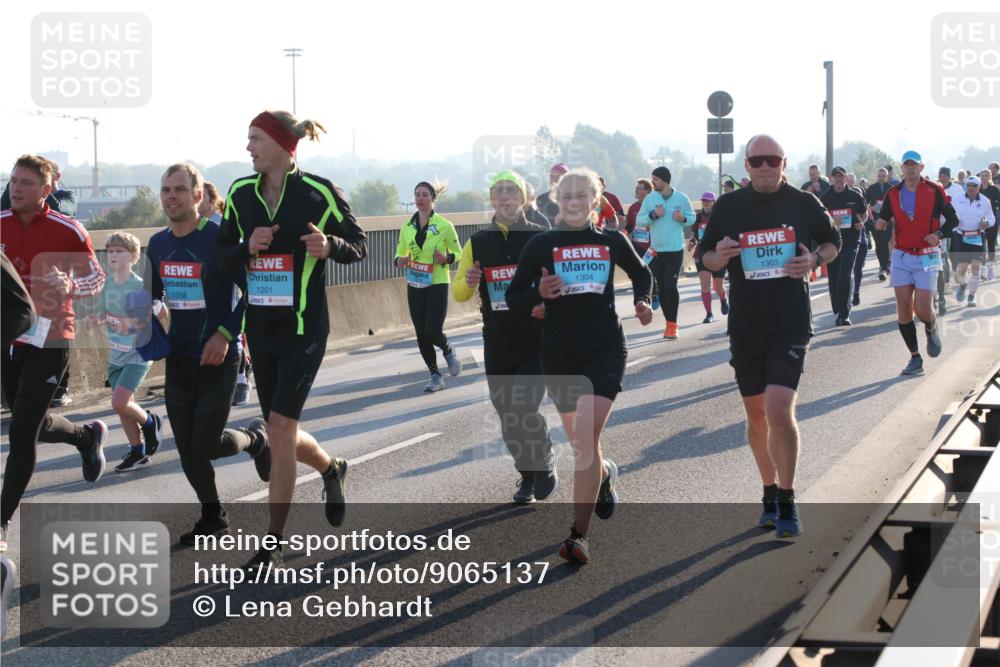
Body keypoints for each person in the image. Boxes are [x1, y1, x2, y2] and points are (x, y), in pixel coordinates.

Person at [217, 110, 368, 567]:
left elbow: (359, 245)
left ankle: (274, 539)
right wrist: (246, 247)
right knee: (282, 431)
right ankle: (331, 467)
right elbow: (219, 259)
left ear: (283, 145)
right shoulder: (239, 194)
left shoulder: (318, 192)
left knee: (280, 429)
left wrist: (331, 246)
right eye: (248, 139)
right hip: (260, 331)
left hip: (304, 331)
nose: (248, 147)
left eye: (256, 139)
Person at [506, 167, 653, 563]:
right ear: (558, 200)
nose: (573, 202)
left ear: (595, 200)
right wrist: (538, 291)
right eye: (567, 196)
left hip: (605, 348)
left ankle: (578, 536)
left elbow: (642, 274)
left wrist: (642, 302)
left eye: (581, 196)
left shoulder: (611, 241)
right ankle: (603, 474)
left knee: (585, 441)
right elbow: (514, 296)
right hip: (560, 353)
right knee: (583, 445)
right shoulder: (541, 244)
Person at [699, 135, 841, 539]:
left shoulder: (804, 202)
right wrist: (719, 255)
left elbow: (833, 242)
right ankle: (768, 491)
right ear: (746, 165)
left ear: (784, 163)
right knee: (757, 417)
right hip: (746, 324)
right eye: (757, 160)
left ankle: (788, 497)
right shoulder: (728, 206)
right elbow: (705, 258)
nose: (765, 167)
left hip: (790, 321)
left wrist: (814, 258)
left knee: (779, 410)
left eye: (772, 160)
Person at [149, 163, 272, 544]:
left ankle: (256, 439)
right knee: (187, 448)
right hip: (179, 358)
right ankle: (213, 516)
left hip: (219, 356)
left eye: (180, 190)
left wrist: (225, 334)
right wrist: (138, 320)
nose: (171, 197)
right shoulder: (157, 244)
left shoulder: (220, 238)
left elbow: (256, 291)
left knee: (205, 444)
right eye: (166, 190)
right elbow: (152, 295)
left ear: (198, 196)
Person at [1, 155, 110, 550]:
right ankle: (86, 436)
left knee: (21, 433)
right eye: (14, 181)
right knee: (30, 420)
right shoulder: (0, 224)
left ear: (46, 190)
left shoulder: (68, 229)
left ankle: (2, 520)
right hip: (9, 340)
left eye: (26, 183)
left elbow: (96, 278)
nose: (16, 188)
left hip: (51, 338)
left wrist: (70, 286)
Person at [453, 170, 557, 503]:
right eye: (498, 191)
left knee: (524, 406)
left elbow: (560, 286)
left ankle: (544, 459)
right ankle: (527, 475)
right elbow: (458, 293)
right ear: (491, 199)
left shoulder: (541, 238)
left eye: (511, 191)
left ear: (523, 198)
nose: (504, 197)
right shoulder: (477, 242)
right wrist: (469, 281)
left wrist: (547, 306)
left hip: (536, 340)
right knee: (508, 416)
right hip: (498, 342)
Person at [876, 150, 958, 376]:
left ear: (921, 167)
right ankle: (915, 357)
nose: (910, 168)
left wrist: (938, 234)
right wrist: (881, 222)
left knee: (922, 308)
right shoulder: (893, 193)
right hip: (902, 255)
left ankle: (931, 327)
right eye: (906, 165)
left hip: (927, 253)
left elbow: (953, 220)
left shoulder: (934, 190)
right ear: (902, 168)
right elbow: (883, 217)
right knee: (903, 308)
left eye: (914, 165)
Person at [97, 232, 162, 471]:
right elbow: (104, 311)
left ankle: (150, 422)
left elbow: (155, 315)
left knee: (119, 402)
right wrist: (95, 318)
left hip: (137, 354)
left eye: (119, 251)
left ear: (133, 257)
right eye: (110, 251)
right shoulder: (108, 283)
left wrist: (133, 323)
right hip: (117, 354)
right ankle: (138, 452)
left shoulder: (139, 285)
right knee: (123, 407)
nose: (113, 255)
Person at [394, 181, 463, 392]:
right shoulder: (407, 227)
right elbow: (399, 253)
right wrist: (400, 260)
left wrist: (446, 258)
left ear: (433, 198)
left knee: (432, 331)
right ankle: (435, 376)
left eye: (424, 194)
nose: (420, 198)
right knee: (421, 333)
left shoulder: (444, 225)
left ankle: (447, 349)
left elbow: (458, 253)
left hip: (437, 282)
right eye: (417, 194)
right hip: (415, 282)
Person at [201, 180, 254, 405]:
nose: (197, 200)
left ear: (212, 200)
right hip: (206, 287)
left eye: (202, 195)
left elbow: (237, 250)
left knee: (233, 329)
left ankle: (241, 379)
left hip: (229, 281)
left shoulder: (222, 225)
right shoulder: (192, 227)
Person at [637, 166, 695, 339]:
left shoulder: (681, 198)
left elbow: (692, 217)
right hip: (657, 250)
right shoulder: (650, 199)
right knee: (662, 288)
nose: (653, 182)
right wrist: (654, 214)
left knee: (670, 286)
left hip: (675, 250)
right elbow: (640, 219)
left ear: (664, 180)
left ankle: (673, 324)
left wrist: (682, 218)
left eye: (655, 179)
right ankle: (668, 323)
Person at [820, 167, 868, 325]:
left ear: (846, 178)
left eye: (841, 177)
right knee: (834, 277)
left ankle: (845, 313)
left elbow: (864, 212)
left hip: (851, 242)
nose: (839, 180)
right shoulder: (825, 198)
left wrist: (862, 222)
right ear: (831, 179)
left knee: (845, 274)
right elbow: (819, 219)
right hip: (832, 244)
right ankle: (838, 310)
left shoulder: (855, 196)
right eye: (836, 177)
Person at [951, 176, 996, 306]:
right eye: (969, 185)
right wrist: (954, 226)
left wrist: (987, 223)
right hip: (961, 235)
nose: (971, 188)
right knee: (962, 269)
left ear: (979, 187)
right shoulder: (957, 199)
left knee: (976, 267)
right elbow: (949, 215)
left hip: (977, 236)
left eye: (974, 186)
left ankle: (971, 296)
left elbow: (992, 219)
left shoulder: (985, 201)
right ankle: (963, 285)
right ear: (966, 186)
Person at [688, 191, 729, 323]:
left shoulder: (720, 216)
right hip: (701, 252)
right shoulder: (698, 217)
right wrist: (692, 243)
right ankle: (709, 314)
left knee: (717, 285)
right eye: (703, 200)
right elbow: (694, 235)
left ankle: (723, 298)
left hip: (717, 253)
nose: (705, 203)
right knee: (704, 284)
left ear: (713, 202)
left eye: (708, 200)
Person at [936, 167, 964, 316]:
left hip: (953, 227)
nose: (943, 178)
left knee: (951, 256)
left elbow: (960, 208)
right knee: (942, 258)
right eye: (941, 175)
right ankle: (944, 284)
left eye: (945, 175)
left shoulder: (957, 189)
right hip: (938, 231)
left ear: (949, 176)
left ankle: (949, 278)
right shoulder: (935, 189)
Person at [626, 178, 658, 309]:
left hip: (652, 246)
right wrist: (624, 232)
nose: (636, 191)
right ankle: (642, 300)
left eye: (639, 189)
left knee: (651, 271)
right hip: (637, 245)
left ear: (648, 191)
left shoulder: (654, 206)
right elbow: (629, 225)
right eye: (636, 188)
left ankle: (654, 294)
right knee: (640, 273)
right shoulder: (633, 208)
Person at [866, 168, 894, 281]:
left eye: (883, 176)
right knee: (878, 243)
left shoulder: (891, 188)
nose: (881, 178)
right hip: (875, 219)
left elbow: (895, 204)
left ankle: (884, 267)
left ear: (887, 177)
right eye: (879, 176)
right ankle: (882, 264)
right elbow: (865, 203)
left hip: (887, 219)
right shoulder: (871, 188)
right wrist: (871, 207)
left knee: (885, 241)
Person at [979, 168, 1000, 282]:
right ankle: (983, 270)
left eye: (986, 175)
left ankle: (990, 267)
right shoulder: (976, 189)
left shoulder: (994, 189)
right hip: (979, 222)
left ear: (990, 177)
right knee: (981, 246)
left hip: (991, 221)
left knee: (991, 245)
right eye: (982, 175)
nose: (984, 177)